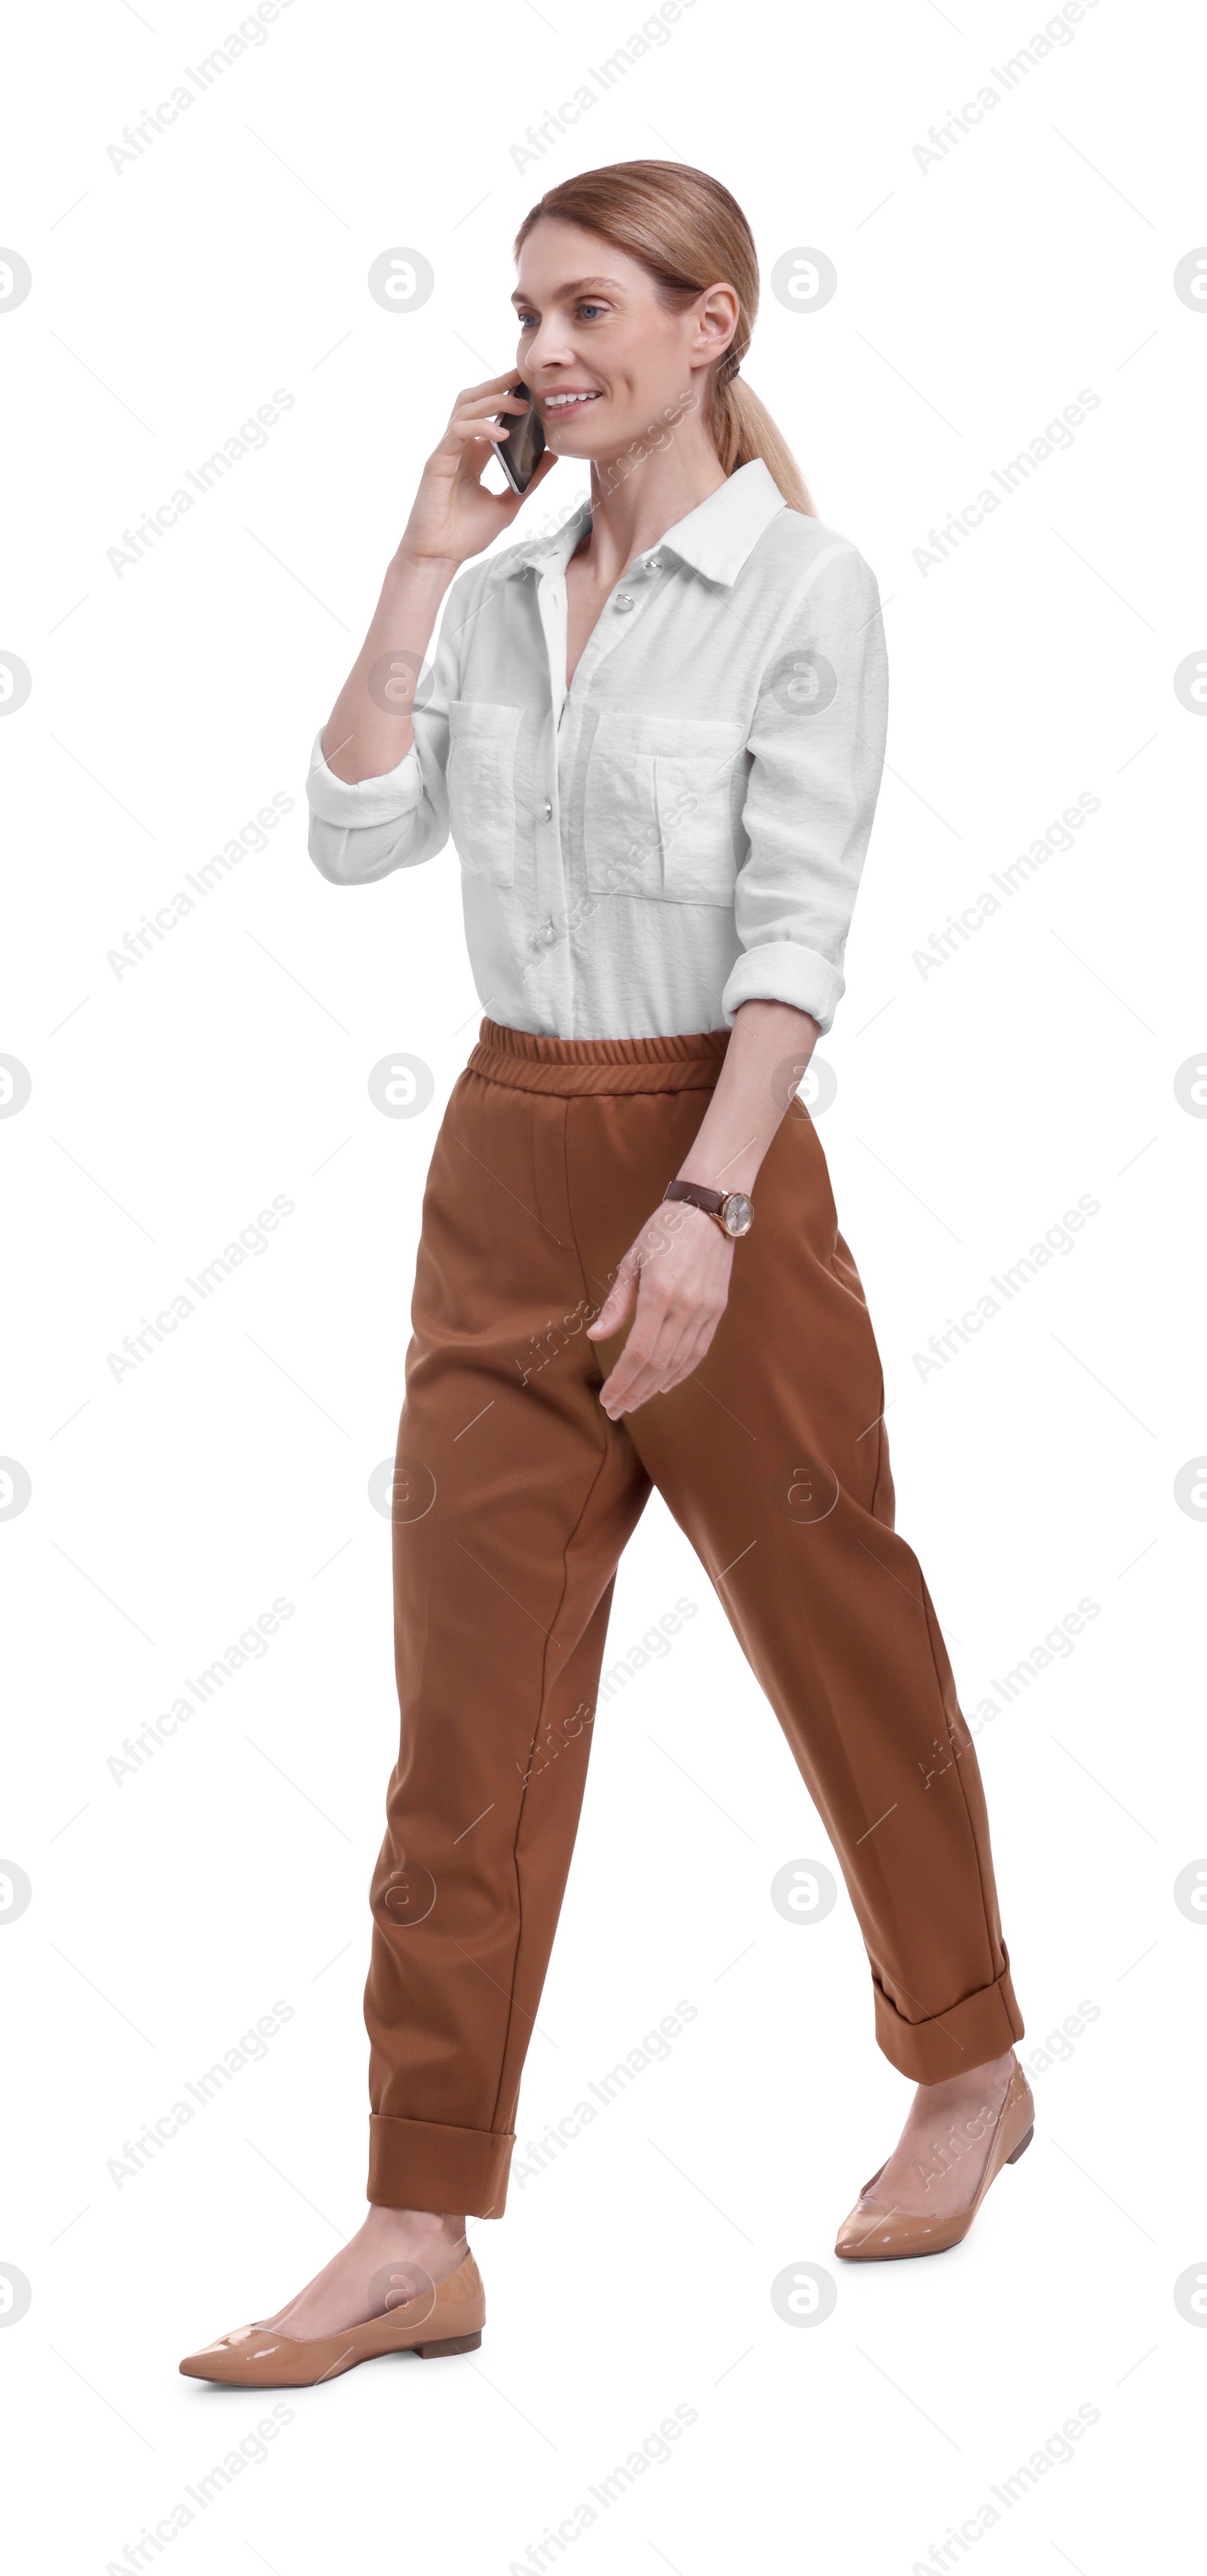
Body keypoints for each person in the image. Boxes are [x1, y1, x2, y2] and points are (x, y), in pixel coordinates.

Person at [180, 159, 1030, 2391]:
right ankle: (414, 2222)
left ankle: (968, 2068)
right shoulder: (491, 598)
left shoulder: (806, 588)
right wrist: (421, 558)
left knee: (840, 1628)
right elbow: (359, 831)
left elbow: (797, 932)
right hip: (502, 1163)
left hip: (711, 1162)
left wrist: (711, 1205)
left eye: (588, 310)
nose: (544, 350)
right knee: (460, 1721)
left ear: (710, 324)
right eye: (526, 315)